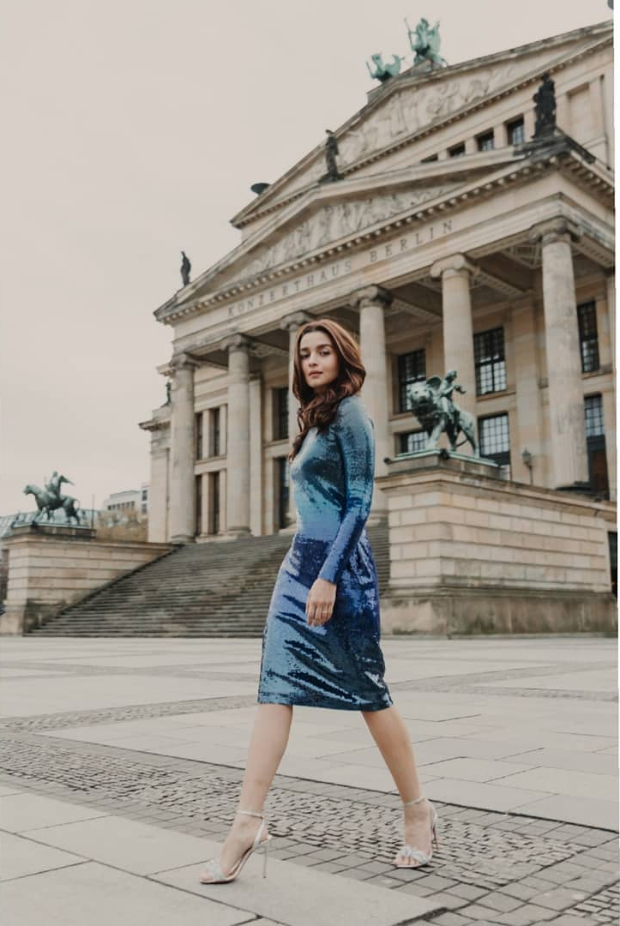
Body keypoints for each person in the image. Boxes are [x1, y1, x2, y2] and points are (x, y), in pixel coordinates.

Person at [199, 318, 439, 884]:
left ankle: (417, 811)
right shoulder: (313, 418)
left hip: (339, 571)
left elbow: (359, 503)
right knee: (273, 690)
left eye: (322, 351)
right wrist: (301, 562)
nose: (311, 360)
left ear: (342, 356)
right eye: (304, 353)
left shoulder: (352, 411)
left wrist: (328, 576)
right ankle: (246, 823)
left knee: (368, 693)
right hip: (297, 568)